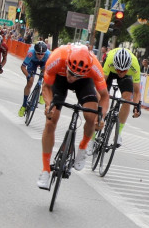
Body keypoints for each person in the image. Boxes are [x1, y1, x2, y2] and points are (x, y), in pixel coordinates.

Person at [37, 43, 110, 189]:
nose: (72, 78)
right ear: (68, 64)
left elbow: (104, 96)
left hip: (84, 82)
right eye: (71, 73)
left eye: (76, 75)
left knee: (91, 117)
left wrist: (101, 117)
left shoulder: (94, 66)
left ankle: (83, 147)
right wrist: (48, 105)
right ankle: (45, 170)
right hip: (59, 79)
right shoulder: (57, 57)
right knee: (51, 121)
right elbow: (46, 87)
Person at [100, 47, 143, 146]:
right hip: (110, 72)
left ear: (128, 67)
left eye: (123, 70)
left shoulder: (134, 65)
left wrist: (137, 107)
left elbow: (137, 92)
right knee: (103, 94)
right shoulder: (109, 60)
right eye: (118, 70)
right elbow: (100, 85)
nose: (120, 73)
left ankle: (118, 133)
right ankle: (95, 131)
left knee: (127, 99)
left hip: (127, 76)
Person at [18, 41, 50, 116]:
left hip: (43, 63)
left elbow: (50, 69)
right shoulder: (31, 53)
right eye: (38, 53)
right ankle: (24, 105)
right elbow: (23, 67)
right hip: (32, 63)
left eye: (42, 54)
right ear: (35, 52)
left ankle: (42, 93)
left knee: (45, 75)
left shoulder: (48, 55)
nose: (40, 55)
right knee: (30, 82)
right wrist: (28, 76)